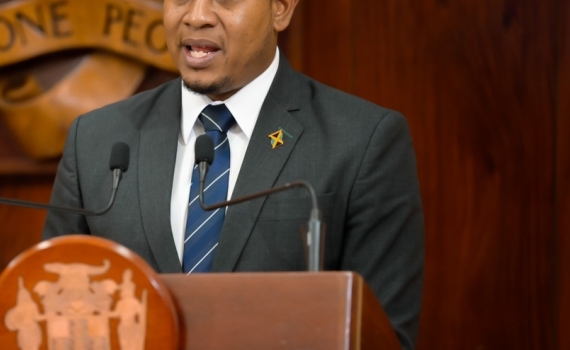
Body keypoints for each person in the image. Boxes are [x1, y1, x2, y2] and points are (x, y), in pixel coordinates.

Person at [42, 0, 424, 348]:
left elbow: (381, 334)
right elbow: (49, 311)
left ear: (281, 9)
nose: (196, 16)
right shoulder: (96, 140)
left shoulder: (362, 141)